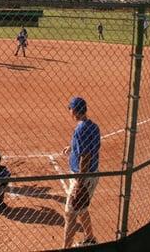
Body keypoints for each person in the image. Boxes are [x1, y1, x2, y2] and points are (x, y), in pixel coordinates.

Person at [62, 96, 101, 248]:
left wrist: (79, 183)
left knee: (70, 214)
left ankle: (65, 248)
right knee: (82, 207)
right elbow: (87, 146)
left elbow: (85, 157)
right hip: (89, 174)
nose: (69, 111)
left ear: (76, 111)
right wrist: (72, 147)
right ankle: (90, 238)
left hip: (83, 177)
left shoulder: (80, 129)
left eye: (70, 109)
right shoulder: (93, 126)